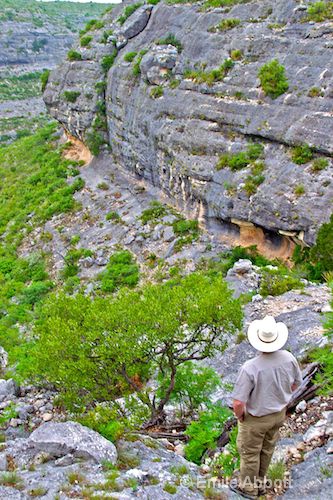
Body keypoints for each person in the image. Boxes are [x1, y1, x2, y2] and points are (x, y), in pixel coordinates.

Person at [229, 315, 302, 499]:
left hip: (256, 418)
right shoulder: (289, 358)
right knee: (267, 449)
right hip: (278, 414)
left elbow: (238, 402)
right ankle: (260, 485)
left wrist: (240, 416)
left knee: (250, 452)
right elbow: (296, 384)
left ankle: (248, 489)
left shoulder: (251, 367)